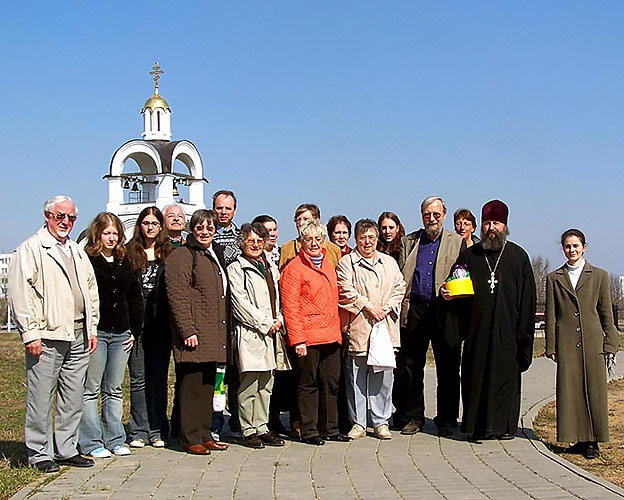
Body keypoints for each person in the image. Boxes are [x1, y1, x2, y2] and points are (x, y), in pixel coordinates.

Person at [8, 195, 99, 472]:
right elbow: (20, 294)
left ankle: (66, 448)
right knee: (41, 396)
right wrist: (30, 334)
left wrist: (92, 327)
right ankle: (39, 452)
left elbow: (91, 290)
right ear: (47, 216)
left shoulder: (76, 251)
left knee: (72, 396)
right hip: (47, 334)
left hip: (78, 332)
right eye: (60, 216)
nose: (65, 222)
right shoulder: (31, 249)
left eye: (71, 217)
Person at [442, 199, 536, 441]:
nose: (491, 228)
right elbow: (455, 283)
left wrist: (523, 333)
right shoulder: (470, 255)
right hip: (477, 331)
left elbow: (527, 299)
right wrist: (448, 292)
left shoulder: (518, 256)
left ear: (505, 226)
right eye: (487, 223)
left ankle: (504, 427)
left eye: (496, 223)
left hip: (508, 331)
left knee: (505, 378)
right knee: (476, 377)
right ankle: (476, 426)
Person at [545, 229, 619, 459]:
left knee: (594, 389)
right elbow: (551, 314)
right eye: (568, 246)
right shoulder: (555, 278)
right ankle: (575, 437)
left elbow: (606, 312)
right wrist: (551, 346)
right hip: (567, 340)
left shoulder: (599, 276)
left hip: (592, 340)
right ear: (563, 249)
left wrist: (611, 343)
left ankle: (592, 441)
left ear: (584, 247)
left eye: (576, 246)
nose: (572, 250)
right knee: (570, 389)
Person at [394, 196, 464, 437]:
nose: (432, 219)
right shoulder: (409, 241)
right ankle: (414, 416)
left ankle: (447, 418)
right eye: (427, 214)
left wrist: (453, 290)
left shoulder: (457, 242)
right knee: (411, 365)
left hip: (444, 309)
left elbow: (463, 274)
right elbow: (401, 274)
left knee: (448, 366)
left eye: (436, 214)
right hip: (415, 308)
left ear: (444, 215)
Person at [165, 209, 231, 455]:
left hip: (213, 332)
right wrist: (187, 329)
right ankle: (190, 436)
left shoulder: (214, 253)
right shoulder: (182, 255)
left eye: (210, 228)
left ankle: (204, 433)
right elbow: (178, 296)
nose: (205, 232)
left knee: (206, 385)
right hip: (194, 333)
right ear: (192, 229)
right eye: (200, 227)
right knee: (191, 386)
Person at [79, 213, 142, 458]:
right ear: (98, 234)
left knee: (114, 389)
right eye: (107, 233)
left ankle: (115, 438)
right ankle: (91, 441)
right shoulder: (88, 260)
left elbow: (134, 297)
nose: (111, 238)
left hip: (121, 333)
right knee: (91, 388)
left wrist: (134, 330)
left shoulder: (124, 261)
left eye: (115, 233)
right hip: (97, 331)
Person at [280, 219, 348, 445]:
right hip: (308, 338)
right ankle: (309, 430)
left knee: (331, 383)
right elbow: (290, 307)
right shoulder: (293, 269)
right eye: (308, 239)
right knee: (308, 384)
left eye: (318, 239)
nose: (314, 243)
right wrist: (297, 340)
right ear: (301, 242)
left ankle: (330, 428)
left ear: (324, 241)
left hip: (331, 335)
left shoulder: (328, 266)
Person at [336, 219, 406, 440]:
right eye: (363, 238)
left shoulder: (389, 262)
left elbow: (400, 286)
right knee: (356, 377)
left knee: (383, 378)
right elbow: (345, 290)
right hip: (360, 327)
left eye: (371, 238)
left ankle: (380, 422)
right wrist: (368, 306)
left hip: (384, 327)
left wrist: (386, 308)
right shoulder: (347, 263)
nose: (367, 242)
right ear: (356, 239)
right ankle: (358, 422)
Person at [229, 223, 291, 448]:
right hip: (251, 333)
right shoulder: (237, 268)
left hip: (272, 333)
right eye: (250, 241)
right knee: (249, 385)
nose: (255, 245)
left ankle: (262, 427)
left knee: (266, 384)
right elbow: (240, 303)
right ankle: (248, 429)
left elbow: (279, 298)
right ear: (242, 243)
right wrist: (266, 323)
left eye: (259, 241)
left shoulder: (270, 267)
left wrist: (280, 319)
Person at [126, 207, 173, 448]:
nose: (150, 227)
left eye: (155, 223)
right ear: (140, 225)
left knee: (158, 378)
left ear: (161, 227)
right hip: (137, 325)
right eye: (146, 223)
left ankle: (158, 428)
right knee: (138, 379)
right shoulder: (129, 253)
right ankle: (138, 430)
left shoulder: (169, 253)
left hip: (161, 325)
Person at [278, 203, 342, 271]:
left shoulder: (334, 250)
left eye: (306, 219)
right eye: (298, 220)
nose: (301, 223)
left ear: (317, 221)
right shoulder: (287, 249)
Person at [212, 190, 241, 266]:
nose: (223, 212)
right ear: (213, 209)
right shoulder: (207, 236)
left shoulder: (242, 236)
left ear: (234, 211)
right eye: (219, 208)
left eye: (228, 208)